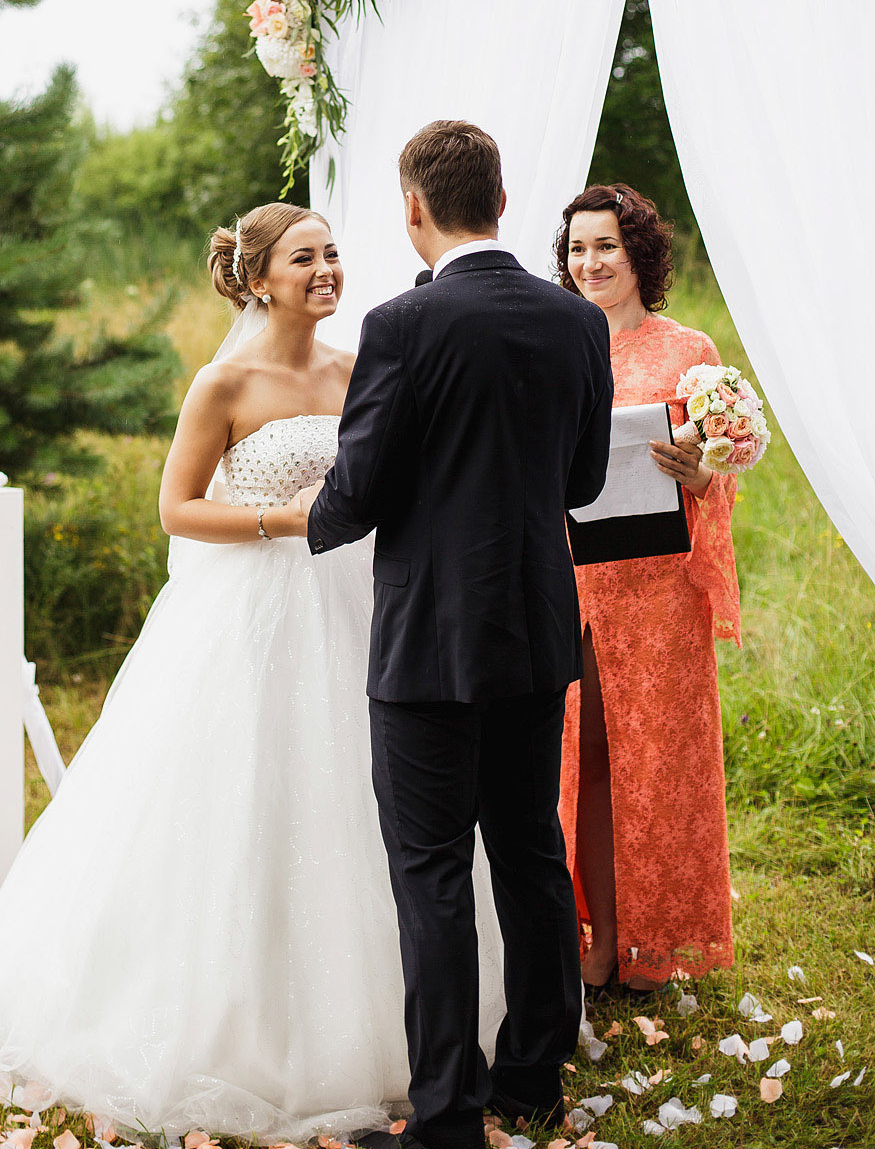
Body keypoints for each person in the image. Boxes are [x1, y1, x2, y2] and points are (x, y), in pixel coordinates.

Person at [0, 201, 504, 1144]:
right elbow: (177, 509)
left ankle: (408, 1030)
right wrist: (286, 521)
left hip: (358, 608)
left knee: (371, 799)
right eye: (304, 259)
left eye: (334, 255)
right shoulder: (222, 383)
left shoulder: (361, 369)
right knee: (236, 799)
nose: (326, 271)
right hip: (251, 613)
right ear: (259, 277)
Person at [302, 122, 614, 1149]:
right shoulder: (575, 323)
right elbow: (577, 482)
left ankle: (441, 1117)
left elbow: (359, 489)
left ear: (412, 209)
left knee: (431, 867)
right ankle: (529, 1079)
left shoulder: (402, 324)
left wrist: (309, 513)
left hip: (430, 637)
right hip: (533, 626)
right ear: (502, 200)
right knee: (528, 848)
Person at [555, 183, 741, 999]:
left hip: (659, 587)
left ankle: (653, 936)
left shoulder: (687, 350)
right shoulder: (553, 345)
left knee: (659, 763)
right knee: (587, 758)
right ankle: (597, 939)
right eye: (576, 248)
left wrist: (702, 472)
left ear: (637, 254)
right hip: (574, 579)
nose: (589, 262)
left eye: (605, 246)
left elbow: (721, 474)